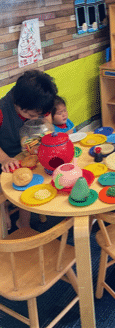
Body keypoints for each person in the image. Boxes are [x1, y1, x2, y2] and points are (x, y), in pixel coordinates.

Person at [0, 69, 58, 229]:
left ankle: (28, 217)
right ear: (19, 105)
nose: (36, 119)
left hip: (28, 152)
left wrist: (45, 140)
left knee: (46, 172)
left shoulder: (39, 104)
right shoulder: (2, 110)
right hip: (7, 157)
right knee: (26, 180)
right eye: (33, 116)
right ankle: (16, 216)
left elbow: (47, 122)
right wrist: (5, 159)